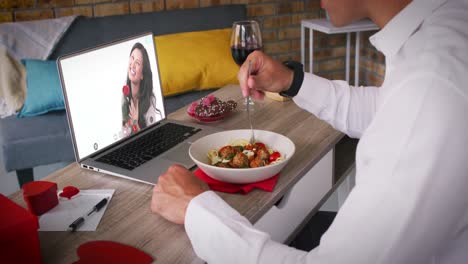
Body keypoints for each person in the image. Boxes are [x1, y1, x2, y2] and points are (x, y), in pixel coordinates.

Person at [151, 0, 468, 263]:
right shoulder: (444, 33)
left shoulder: (432, 84)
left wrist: (198, 210)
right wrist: (293, 82)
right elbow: (387, 112)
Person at [122, 42, 162, 136]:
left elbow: (152, 137)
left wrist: (135, 122)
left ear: (142, 75)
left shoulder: (149, 100)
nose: (132, 65)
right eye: (132, 58)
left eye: (138, 63)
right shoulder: (123, 99)